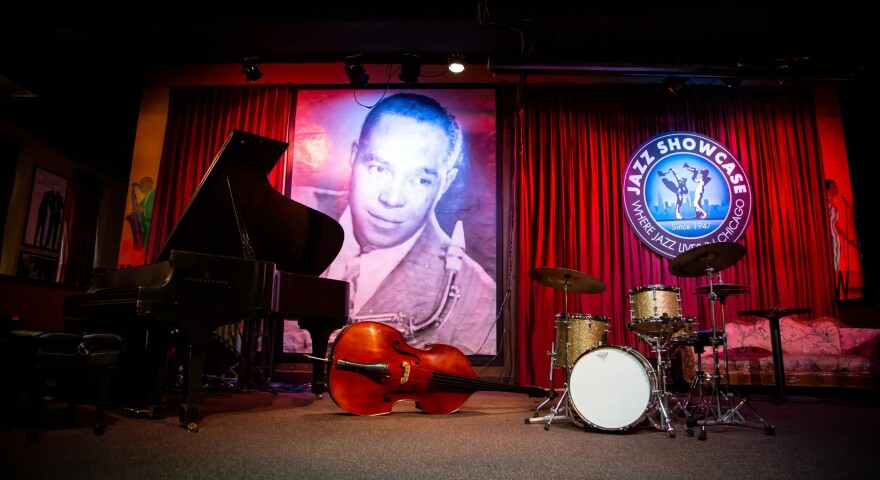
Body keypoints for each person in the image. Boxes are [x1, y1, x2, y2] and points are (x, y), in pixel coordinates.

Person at [290, 93, 496, 355]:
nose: (392, 198)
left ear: (445, 183)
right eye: (379, 169)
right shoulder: (294, 215)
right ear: (354, 156)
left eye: (419, 180)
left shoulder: (476, 296)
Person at [826, 179, 858, 298]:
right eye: (833, 186)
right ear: (827, 189)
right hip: (829, 238)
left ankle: (836, 292)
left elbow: (836, 226)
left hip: (835, 239)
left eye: (836, 185)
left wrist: (848, 240)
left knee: (836, 263)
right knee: (832, 264)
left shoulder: (833, 204)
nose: (836, 188)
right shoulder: (825, 205)